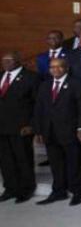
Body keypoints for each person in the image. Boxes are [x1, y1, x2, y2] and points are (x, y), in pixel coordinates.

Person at [33, 58, 81, 206]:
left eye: (59, 67)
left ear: (66, 68)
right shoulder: (45, 85)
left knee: (74, 162)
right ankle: (59, 191)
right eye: (52, 67)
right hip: (50, 131)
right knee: (55, 163)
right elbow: (39, 108)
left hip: (70, 130)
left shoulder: (76, 83)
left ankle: (77, 191)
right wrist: (38, 130)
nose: (55, 70)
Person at [0, 52, 38, 204]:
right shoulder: (1, 75)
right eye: (3, 60)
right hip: (2, 126)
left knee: (23, 158)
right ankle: (10, 188)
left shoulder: (31, 77)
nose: (6, 63)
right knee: (5, 160)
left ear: (19, 61)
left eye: (9, 60)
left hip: (21, 127)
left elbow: (37, 104)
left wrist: (32, 125)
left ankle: (26, 189)